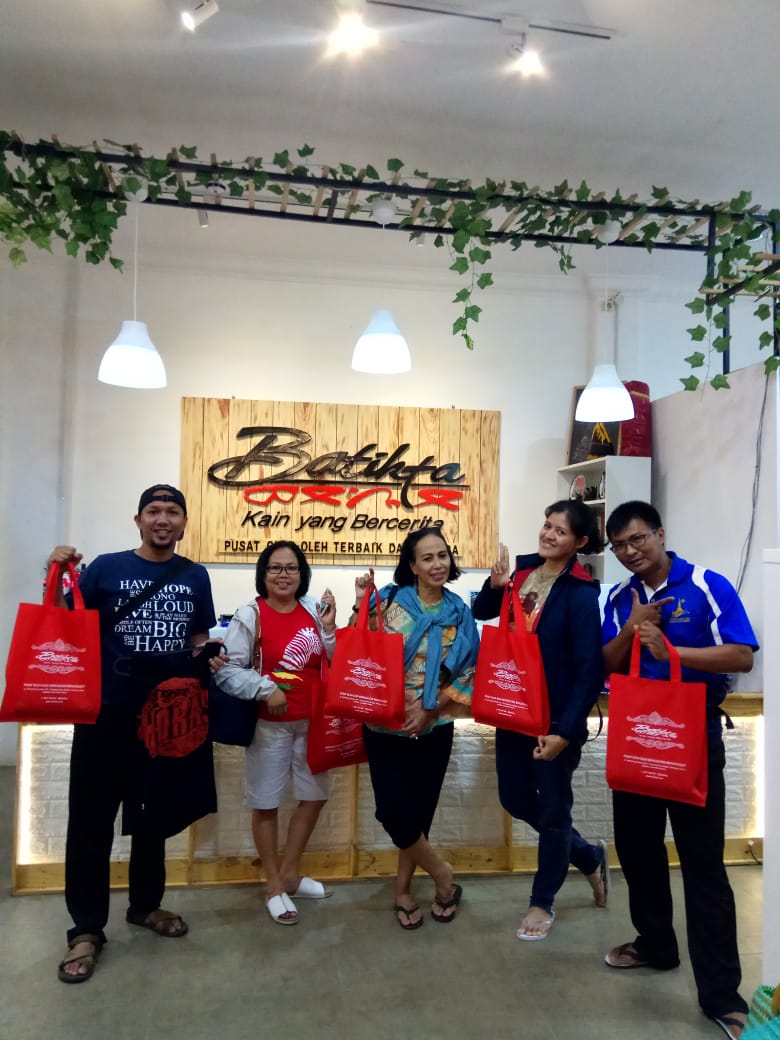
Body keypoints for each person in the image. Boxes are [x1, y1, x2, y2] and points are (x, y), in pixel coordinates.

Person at [48, 484, 217, 984]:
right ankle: (86, 928)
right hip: (104, 713)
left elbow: (198, 637)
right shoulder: (105, 567)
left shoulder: (195, 575)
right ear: (138, 520)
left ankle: (145, 905)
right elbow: (65, 621)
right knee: (91, 822)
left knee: (152, 817)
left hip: (164, 716)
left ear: (183, 522)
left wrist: (208, 659)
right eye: (154, 511)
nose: (163, 519)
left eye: (172, 511)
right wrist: (56, 572)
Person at [601, 501, 758, 1040]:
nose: (630, 552)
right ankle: (656, 945)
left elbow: (741, 655)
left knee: (703, 866)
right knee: (637, 851)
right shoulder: (620, 598)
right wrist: (632, 630)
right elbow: (606, 663)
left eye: (637, 539)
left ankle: (722, 995)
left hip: (692, 736)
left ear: (660, 534)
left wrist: (672, 652)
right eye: (619, 546)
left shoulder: (707, 585)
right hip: (636, 735)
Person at [472, 499, 608, 941]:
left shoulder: (581, 594)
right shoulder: (522, 572)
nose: (548, 535)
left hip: (552, 720)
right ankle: (586, 855)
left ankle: (542, 901)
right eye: (547, 525)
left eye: (560, 531)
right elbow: (482, 612)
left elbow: (589, 670)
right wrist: (495, 586)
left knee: (553, 812)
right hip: (513, 709)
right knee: (514, 798)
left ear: (580, 542)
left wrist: (565, 732)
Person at [353, 527, 480, 931]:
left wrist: (430, 709)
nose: (437, 564)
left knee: (419, 813)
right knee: (392, 811)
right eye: (427, 558)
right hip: (383, 724)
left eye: (442, 555)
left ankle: (403, 892)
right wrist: (360, 604)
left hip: (435, 725)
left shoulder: (459, 612)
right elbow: (361, 648)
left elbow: (469, 671)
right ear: (412, 565)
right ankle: (443, 873)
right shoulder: (389, 601)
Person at [211, 540, 337, 925]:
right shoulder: (250, 614)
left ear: (302, 574)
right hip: (269, 726)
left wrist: (330, 629)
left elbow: (334, 659)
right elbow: (228, 670)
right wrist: (266, 689)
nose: (284, 575)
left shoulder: (314, 609)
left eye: (291, 568)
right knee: (266, 803)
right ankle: (273, 885)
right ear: (263, 574)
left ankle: (291, 875)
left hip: (314, 723)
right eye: (275, 568)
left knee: (314, 797)